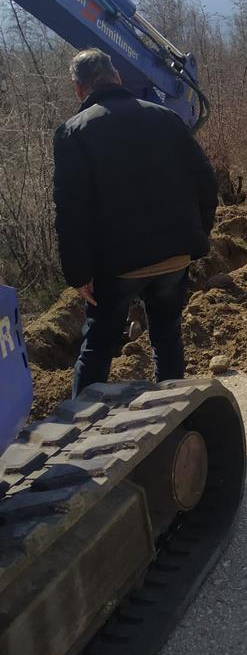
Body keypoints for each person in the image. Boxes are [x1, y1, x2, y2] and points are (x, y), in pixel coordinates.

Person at [53, 48, 218, 397]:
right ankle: (174, 415)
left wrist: (79, 274)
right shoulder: (166, 118)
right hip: (174, 256)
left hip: (118, 266)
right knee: (167, 336)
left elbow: (71, 210)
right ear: (118, 77)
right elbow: (206, 181)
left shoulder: (73, 133)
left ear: (79, 89)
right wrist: (197, 236)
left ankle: (84, 431)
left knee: (98, 346)